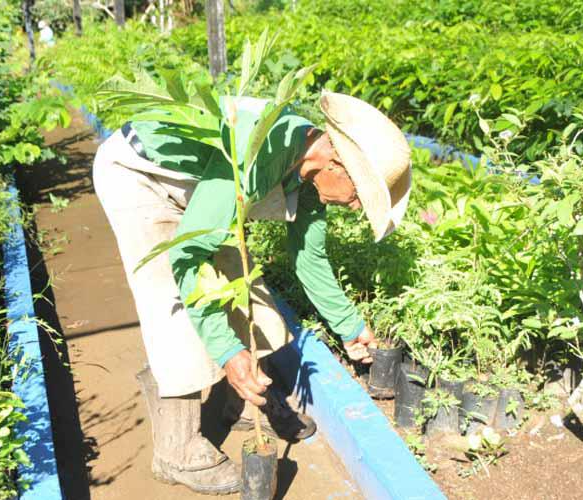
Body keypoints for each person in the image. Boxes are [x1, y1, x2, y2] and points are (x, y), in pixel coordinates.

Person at [92, 91, 412, 495]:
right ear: (336, 164)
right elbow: (188, 257)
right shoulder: (258, 152)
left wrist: (349, 326)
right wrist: (227, 351)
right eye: (359, 196)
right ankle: (177, 452)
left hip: (204, 194)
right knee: (175, 312)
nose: (354, 207)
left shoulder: (308, 173)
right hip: (142, 177)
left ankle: (239, 401)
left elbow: (308, 260)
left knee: (248, 299)